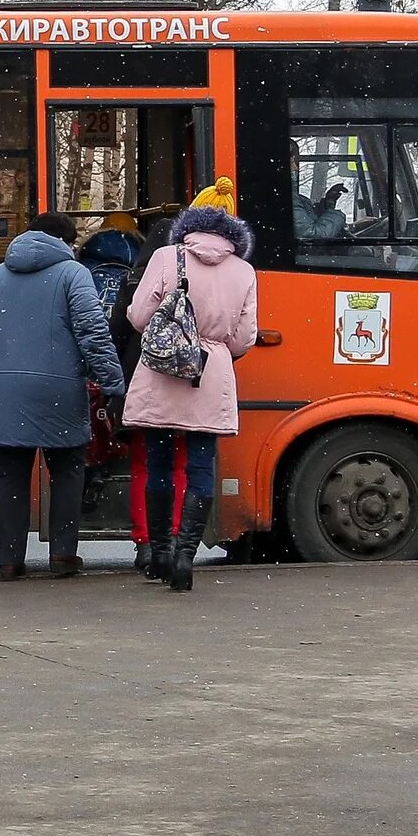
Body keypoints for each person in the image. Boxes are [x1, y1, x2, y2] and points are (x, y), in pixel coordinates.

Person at [0, 212, 127, 579]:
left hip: (4, 390)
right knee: (67, 470)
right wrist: (114, 384)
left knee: (9, 473)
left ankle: (8, 560)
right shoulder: (74, 274)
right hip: (59, 388)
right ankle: (62, 555)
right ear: (66, 241)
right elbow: (93, 334)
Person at [122, 204, 260, 593]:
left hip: (163, 370)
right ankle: (186, 557)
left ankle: (161, 552)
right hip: (209, 372)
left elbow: (137, 316)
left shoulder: (168, 257)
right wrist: (211, 342)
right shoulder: (243, 271)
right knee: (201, 467)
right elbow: (244, 338)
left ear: (188, 230)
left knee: (158, 465)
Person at [77, 217, 150, 574]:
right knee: (159, 460)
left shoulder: (81, 270)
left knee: (89, 428)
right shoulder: (144, 271)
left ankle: (91, 474)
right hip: (127, 365)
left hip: (85, 370)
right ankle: (159, 539)